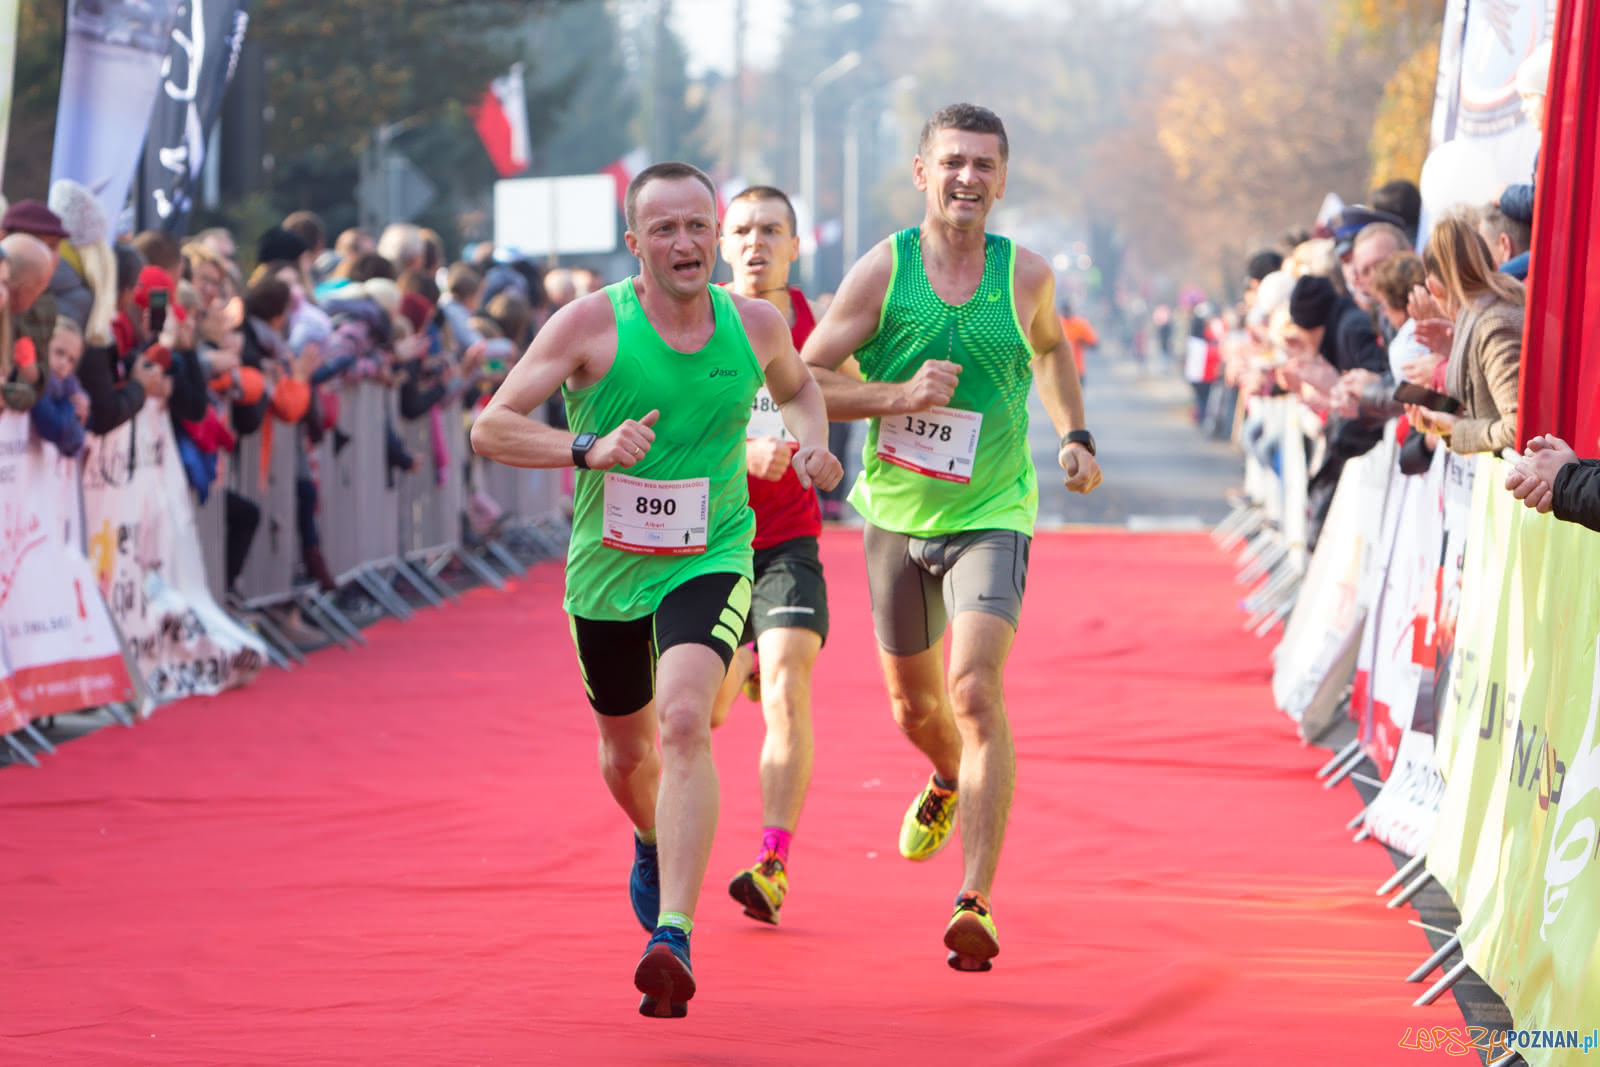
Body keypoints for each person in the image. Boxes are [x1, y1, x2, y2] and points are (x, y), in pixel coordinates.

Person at [469, 162, 842, 1018]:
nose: (685, 243)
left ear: (716, 235)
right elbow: (491, 425)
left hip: (708, 552)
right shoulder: (591, 324)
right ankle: (648, 834)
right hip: (607, 567)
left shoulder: (752, 324)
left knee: (683, 718)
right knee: (626, 752)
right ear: (635, 243)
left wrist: (813, 442)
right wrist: (586, 448)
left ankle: (672, 931)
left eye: (697, 227)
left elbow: (800, 387)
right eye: (664, 230)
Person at [800, 103, 1102, 973]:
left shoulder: (1027, 277)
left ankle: (975, 897)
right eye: (954, 162)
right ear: (923, 171)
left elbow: (1049, 352)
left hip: (992, 510)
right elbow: (809, 378)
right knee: (916, 709)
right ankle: (944, 776)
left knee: (971, 689)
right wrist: (896, 396)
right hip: (896, 513)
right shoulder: (883, 271)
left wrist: (1074, 434)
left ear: (1002, 180)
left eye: (985, 165)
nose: (969, 178)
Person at [704, 185, 831, 927]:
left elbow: (846, 383)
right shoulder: (699, 321)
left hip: (788, 538)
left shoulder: (816, 324)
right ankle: (737, 667)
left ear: (793, 245)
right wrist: (739, 451)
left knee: (787, 684)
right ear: (724, 245)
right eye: (742, 230)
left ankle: (773, 861)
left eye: (771, 231)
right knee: (711, 712)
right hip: (711, 545)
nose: (756, 243)